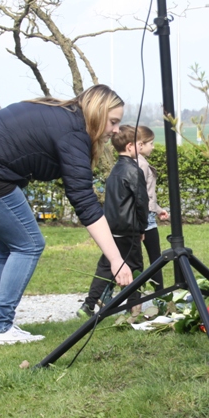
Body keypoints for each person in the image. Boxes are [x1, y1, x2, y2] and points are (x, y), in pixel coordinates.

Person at [0, 84, 133, 346]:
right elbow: (84, 200)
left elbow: (12, 153)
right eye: (113, 121)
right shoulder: (73, 132)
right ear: (97, 113)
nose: (116, 130)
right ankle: (0, 327)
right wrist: (116, 259)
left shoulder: (58, 113)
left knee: (7, 248)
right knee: (29, 244)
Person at [79, 125, 149, 317]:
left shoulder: (115, 170)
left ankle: (88, 305)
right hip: (129, 229)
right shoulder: (134, 171)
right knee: (135, 267)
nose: (141, 146)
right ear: (129, 146)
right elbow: (141, 202)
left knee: (105, 267)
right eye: (139, 143)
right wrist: (142, 227)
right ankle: (133, 309)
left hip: (111, 228)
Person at [134, 126, 169, 291]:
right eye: (151, 143)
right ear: (141, 144)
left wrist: (158, 209)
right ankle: (159, 293)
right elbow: (143, 195)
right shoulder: (141, 164)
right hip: (145, 216)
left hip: (143, 214)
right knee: (156, 257)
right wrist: (153, 210)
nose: (153, 147)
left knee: (133, 257)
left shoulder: (135, 162)